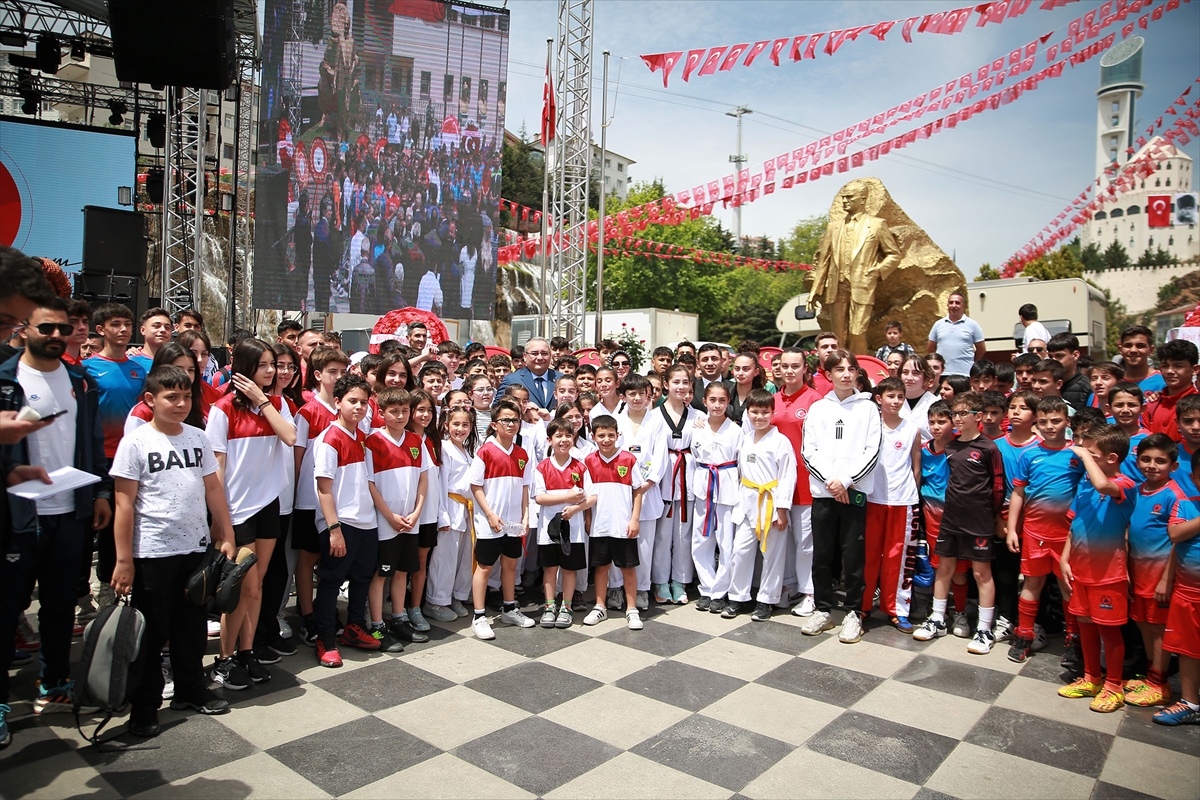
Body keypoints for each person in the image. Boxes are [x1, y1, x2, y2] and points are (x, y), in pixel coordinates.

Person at [109, 366, 236, 736]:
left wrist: (225, 533)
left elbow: (214, 490)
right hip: (151, 554)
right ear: (150, 400)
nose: (181, 404)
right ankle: (145, 707)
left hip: (195, 550)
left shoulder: (197, 437)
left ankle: (190, 690)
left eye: (186, 397)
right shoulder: (135, 443)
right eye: (171, 397)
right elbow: (125, 505)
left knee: (191, 628)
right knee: (151, 634)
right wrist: (123, 560)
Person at [0, 298, 111, 721]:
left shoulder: (79, 381)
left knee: (61, 605)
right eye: (46, 328)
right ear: (24, 328)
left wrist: (100, 491)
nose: (56, 336)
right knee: (8, 608)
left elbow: (93, 442)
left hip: (71, 510)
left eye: (63, 329)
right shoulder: (5, 378)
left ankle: (55, 681)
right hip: (16, 515)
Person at [205, 339, 296, 688]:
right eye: (263, 365)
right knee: (241, 588)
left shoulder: (275, 405)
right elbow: (218, 468)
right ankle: (224, 659)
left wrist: (263, 402)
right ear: (244, 368)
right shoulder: (223, 409)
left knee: (256, 587)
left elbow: (289, 436)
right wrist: (221, 520)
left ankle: (247, 651)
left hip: (268, 506)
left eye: (273, 364)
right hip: (237, 510)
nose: (272, 371)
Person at [913, 392, 1005, 654]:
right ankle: (937, 619)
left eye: (963, 413)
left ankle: (985, 630)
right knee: (944, 568)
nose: (958, 418)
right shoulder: (950, 448)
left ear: (978, 417)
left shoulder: (989, 448)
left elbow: (998, 487)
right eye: (956, 414)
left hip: (978, 522)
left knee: (980, 573)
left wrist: (990, 514)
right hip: (949, 520)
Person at [800, 349, 882, 643]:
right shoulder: (819, 408)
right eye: (839, 369)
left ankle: (854, 613)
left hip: (855, 492)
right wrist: (832, 483)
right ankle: (823, 609)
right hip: (824, 493)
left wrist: (846, 481)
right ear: (828, 374)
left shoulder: (869, 408)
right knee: (822, 555)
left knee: (853, 556)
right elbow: (809, 451)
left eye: (851, 369)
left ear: (858, 373)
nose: (846, 374)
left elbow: (872, 451)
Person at [1054, 425, 1136, 711]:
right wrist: (1065, 559)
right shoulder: (1086, 485)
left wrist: (1081, 454)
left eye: (1092, 454)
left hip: (1108, 575)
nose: (1084, 457)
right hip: (1081, 570)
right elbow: (1074, 526)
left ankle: (1114, 685)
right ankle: (1092, 677)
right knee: (1085, 625)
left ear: (1111, 458)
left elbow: (1104, 485)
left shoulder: (1124, 485)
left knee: (1110, 632)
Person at [1005, 396, 1084, 663]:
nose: (1050, 426)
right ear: (1037, 422)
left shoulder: (1078, 455)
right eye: (1044, 421)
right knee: (1032, 583)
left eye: (1056, 421)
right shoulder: (1030, 454)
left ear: (1067, 422)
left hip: (1068, 537)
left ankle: (1073, 641)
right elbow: (1018, 492)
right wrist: (1014, 529)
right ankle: (1024, 635)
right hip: (1035, 534)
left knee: (1068, 587)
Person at [311, 374, 380, 667]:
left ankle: (354, 627)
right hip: (342, 523)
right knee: (331, 581)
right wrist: (333, 528)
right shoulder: (329, 438)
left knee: (362, 578)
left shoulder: (362, 438)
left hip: (367, 522)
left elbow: (368, 482)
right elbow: (323, 488)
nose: (359, 407)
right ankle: (324, 638)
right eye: (352, 401)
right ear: (338, 402)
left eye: (364, 402)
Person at [84, 302, 149, 609]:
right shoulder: (88, 369)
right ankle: (102, 585)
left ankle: (128, 583)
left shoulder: (140, 369)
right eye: (115, 325)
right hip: (103, 458)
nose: (123, 330)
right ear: (101, 330)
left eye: (127, 324)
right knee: (105, 524)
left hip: (136, 459)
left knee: (131, 521)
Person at [365, 387, 431, 652]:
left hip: (410, 519)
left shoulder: (416, 441)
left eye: (405, 410)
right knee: (381, 573)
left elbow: (424, 479)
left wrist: (416, 512)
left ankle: (399, 616)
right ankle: (377, 624)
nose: (401, 416)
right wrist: (389, 515)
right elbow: (370, 484)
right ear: (381, 413)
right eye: (394, 411)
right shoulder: (373, 441)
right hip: (385, 521)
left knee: (403, 570)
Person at [292, 348, 350, 644]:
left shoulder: (349, 411)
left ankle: (326, 609)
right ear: (317, 375)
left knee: (331, 559)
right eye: (332, 372)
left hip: (339, 501)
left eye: (344, 371)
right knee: (308, 557)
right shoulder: (308, 412)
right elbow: (298, 459)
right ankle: (306, 614)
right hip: (308, 499)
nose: (339, 377)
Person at [467, 399, 536, 640]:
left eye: (515, 420)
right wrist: (489, 514)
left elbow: (525, 488)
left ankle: (509, 608)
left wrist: (526, 516)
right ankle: (479, 615)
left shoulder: (522, 454)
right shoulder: (485, 451)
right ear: (495, 424)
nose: (511, 424)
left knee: (510, 566)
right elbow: (475, 486)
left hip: (513, 523)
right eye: (505, 420)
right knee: (485, 567)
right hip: (490, 522)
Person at [725, 389, 797, 621]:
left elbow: (787, 477)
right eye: (754, 412)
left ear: (772, 413)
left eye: (764, 412)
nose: (759, 417)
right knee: (741, 551)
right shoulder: (745, 439)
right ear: (747, 413)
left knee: (773, 554)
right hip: (747, 502)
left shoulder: (781, 442)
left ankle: (766, 600)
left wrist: (782, 510)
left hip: (772, 503)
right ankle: (738, 596)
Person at [808, 180, 902, 355]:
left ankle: (858, 369)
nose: (845, 201)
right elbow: (824, 261)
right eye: (843, 198)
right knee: (838, 336)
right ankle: (838, 368)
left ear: (863, 199)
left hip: (863, 285)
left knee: (857, 332)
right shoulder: (833, 227)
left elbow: (894, 254)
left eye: (849, 197)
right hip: (837, 288)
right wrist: (815, 290)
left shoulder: (877, 224)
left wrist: (878, 271)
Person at [1126, 433, 1185, 708]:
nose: (1152, 465)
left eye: (1160, 461)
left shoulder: (1176, 496)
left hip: (1159, 577)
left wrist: (1166, 579)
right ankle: (1151, 675)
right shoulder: (1137, 491)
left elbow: (1177, 541)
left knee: (1159, 628)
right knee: (1143, 624)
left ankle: (1159, 682)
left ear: (1173, 465)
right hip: (1138, 573)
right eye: (1146, 459)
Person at [862, 378, 922, 632]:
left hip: (903, 501)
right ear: (879, 399)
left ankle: (896, 609)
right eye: (891, 396)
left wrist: (911, 494)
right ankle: (862, 606)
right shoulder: (869, 427)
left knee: (898, 558)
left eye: (900, 396)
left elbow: (916, 466)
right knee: (868, 556)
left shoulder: (912, 429)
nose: (896, 401)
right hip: (873, 499)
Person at [583, 414, 646, 630]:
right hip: (600, 525)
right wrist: (588, 518)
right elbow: (587, 495)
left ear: (618, 435)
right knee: (601, 567)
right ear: (593, 437)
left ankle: (631, 609)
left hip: (623, 525)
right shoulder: (589, 461)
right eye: (601, 435)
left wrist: (634, 518)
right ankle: (600, 606)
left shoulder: (628, 459)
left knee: (628, 568)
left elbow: (638, 490)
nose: (606, 439)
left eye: (611, 435)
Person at [610, 374, 666, 611]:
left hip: (647, 489)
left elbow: (660, 456)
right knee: (617, 538)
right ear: (623, 396)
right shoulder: (615, 420)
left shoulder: (657, 421)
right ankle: (615, 587)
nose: (636, 398)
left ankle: (642, 588)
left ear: (648, 395)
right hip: (619, 490)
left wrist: (648, 483)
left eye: (641, 393)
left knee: (644, 543)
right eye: (631, 393)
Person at [690, 382, 741, 613]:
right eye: (713, 400)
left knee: (726, 543)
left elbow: (740, 464)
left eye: (722, 400)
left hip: (727, 489)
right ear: (705, 402)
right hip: (703, 488)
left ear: (728, 402)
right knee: (701, 540)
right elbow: (693, 456)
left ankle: (720, 591)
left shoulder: (736, 431)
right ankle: (706, 587)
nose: (717, 405)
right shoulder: (697, 428)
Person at [533, 418, 588, 628]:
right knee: (550, 567)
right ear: (549, 440)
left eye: (568, 435)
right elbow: (539, 498)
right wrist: (569, 496)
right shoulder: (542, 467)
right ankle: (549, 605)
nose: (564, 440)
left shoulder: (580, 467)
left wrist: (575, 506)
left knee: (569, 568)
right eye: (558, 436)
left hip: (573, 530)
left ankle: (566, 605)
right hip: (549, 529)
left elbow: (589, 496)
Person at [654, 365, 702, 606]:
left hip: (688, 477)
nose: (681, 387)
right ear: (666, 384)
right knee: (662, 534)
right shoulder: (653, 416)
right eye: (676, 382)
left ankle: (680, 580)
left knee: (684, 533)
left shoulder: (698, 417)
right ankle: (661, 580)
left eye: (685, 382)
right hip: (663, 477)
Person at [1157, 457, 1200, 725]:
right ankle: (1190, 702)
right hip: (1187, 592)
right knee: (1187, 649)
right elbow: (1175, 535)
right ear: (1195, 478)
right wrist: (1167, 579)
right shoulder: (1186, 504)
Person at [425, 405, 478, 621]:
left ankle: (456, 595)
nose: (461, 429)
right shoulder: (444, 448)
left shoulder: (467, 450)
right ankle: (436, 601)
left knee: (464, 557)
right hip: (450, 505)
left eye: (465, 424)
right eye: (456, 424)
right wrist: (441, 515)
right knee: (445, 557)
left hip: (467, 508)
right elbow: (440, 483)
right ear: (446, 425)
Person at [404, 389, 440, 631]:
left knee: (421, 561)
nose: (425, 415)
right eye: (420, 410)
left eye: (429, 410)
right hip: (406, 513)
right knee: (399, 564)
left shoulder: (434, 440)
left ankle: (415, 607)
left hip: (429, 513)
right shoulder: (403, 438)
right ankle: (391, 607)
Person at [1141, 339, 1199, 442]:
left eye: (1178, 366)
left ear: (1195, 370)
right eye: (1165, 366)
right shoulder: (1151, 405)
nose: (1170, 371)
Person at [927, 292, 986, 378]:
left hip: (965, 373)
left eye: (957, 303)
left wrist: (971, 363)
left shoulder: (973, 325)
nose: (954, 305)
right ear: (947, 305)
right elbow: (931, 347)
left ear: (964, 306)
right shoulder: (938, 324)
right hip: (943, 374)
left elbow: (981, 349)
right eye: (951, 302)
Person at [499, 338, 561, 410]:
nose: (540, 357)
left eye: (544, 353)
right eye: (534, 354)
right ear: (525, 356)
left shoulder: (561, 379)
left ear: (550, 355)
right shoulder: (511, 380)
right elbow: (498, 409)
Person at [1047, 333, 1091, 410]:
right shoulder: (1045, 384)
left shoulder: (1087, 387)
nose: (1054, 361)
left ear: (1075, 355)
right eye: (1050, 357)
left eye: (1059, 356)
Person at [1118, 325, 1166, 395]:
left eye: (1140, 346)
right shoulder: (1114, 383)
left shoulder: (1164, 381)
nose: (1133, 350)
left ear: (1151, 350)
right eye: (1128, 345)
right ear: (1120, 350)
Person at [690, 343, 726, 412]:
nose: (710, 363)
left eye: (714, 359)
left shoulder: (733, 388)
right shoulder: (691, 389)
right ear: (698, 363)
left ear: (721, 361)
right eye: (705, 359)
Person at [63, 299, 91, 366]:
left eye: (85, 322)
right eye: (73, 322)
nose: (82, 327)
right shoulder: (53, 364)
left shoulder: (82, 364)